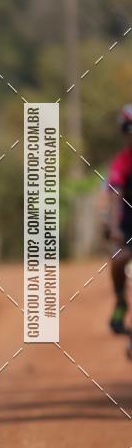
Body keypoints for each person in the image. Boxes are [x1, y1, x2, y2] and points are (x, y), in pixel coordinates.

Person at [106, 103, 132, 334]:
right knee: (118, 260)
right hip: (128, 222)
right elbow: (115, 196)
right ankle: (121, 301)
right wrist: (114, 228)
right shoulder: (122, 161)